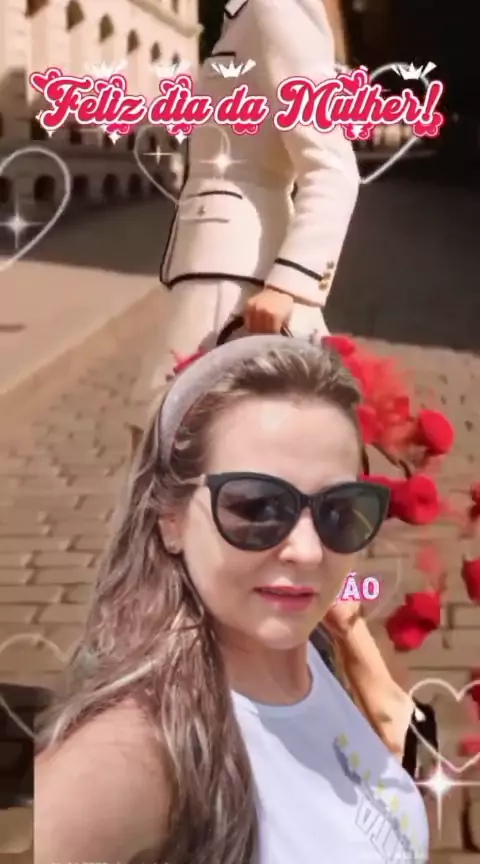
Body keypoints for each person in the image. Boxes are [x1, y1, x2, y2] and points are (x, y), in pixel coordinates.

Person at [36, 337, 433, 864]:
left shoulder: (305, 650)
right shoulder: (139, 752)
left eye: (339, 509)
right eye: (257, 507)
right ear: (170, 518)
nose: (308, 550)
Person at [130, 0, 359, 433]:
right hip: (209, 265)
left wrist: (287, 285)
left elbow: (333, 168)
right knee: (171, 438)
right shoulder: (243, 13)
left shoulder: (278, 7)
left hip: (235, 277)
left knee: (179, 437)